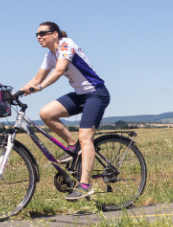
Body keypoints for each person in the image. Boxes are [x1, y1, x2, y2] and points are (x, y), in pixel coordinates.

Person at [19, 22, 110, 200]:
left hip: (96, 94)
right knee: (46, 113)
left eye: (43, 33)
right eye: (36, 34)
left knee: (85, 138)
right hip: (80, 95)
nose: (39, 37)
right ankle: (71, 147)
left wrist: (41, 87)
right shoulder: (49, 56)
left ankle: (85, 184)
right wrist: (16, 94)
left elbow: (59, 70)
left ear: (55, 34)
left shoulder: (66, 44)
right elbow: (37, 78)